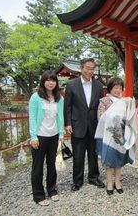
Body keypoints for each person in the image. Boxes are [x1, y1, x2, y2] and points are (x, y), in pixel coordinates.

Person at [64, 58, 105, 191]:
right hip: (77, 125)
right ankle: (77, 180)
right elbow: (67, 106)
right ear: (81, 68)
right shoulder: (71, 85)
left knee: (93, 154)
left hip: (94, 125)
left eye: (92, 68)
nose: (90, 71)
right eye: (87, 68)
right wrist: (68, 123)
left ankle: (93, 177)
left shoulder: (98, 85)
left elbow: (101, 106)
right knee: (78, 154)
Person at [95, 77, 138, 195]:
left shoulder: (125, 101)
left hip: (121, 136)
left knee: (119, 158)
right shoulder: (104, 101)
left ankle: (118, 181)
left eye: (120, 87)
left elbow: (129, 117)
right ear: (110, 88)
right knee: (109, 159)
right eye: (115, 87)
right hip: (108, 135)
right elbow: (100, 118)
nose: (118, 90)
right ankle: (109, 182)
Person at [29, 70, 64, 206]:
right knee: (37, 167)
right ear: (43, 82)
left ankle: (52, 190)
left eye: (53, 80)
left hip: (53, 136)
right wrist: (33, 136)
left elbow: (60, 117)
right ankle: (38, 195)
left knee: (52, 165)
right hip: (40, 136)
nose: (50, 82)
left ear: (56, 83)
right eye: (48, 80)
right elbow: (32, 117)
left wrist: (61, 134)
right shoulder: (35, 97)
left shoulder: (59, 98)